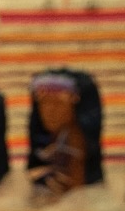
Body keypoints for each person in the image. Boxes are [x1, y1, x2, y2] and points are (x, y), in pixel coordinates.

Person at [27, 68, 103, 203]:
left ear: (76, 105)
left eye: (57, 103)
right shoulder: (51, 141)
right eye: (43, 103)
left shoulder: (75, 142)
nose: (48, 111)